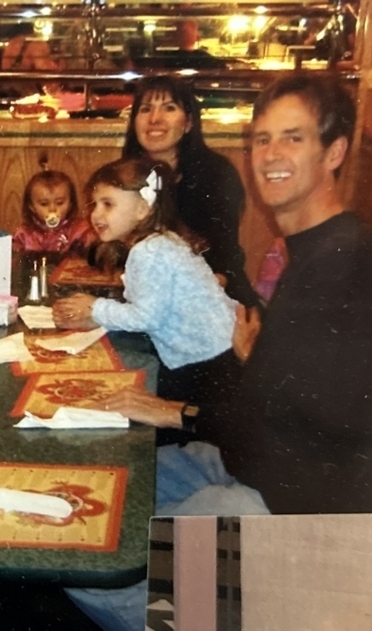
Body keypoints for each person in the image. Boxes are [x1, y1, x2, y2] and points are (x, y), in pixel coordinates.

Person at [68, 72, 372, 631]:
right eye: (262, 139)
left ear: (335, 151)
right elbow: (294, 395)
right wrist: (250, 363)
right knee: (86, 498)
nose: (272, 154)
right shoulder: (315, 253)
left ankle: (206, 615)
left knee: (87, 567)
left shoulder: (350, 266)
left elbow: (318, 419)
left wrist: (178, 411)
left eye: (293, 138)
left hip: (289, 509)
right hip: (241, 463)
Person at [52, 157, 238, 446]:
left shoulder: (148, 252)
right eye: (94, 204)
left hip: (203, 361)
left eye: (108, 204)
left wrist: (95, 307)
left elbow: (146, 317)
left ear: (142, 209)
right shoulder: (160, 242)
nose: (96, 214)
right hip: (214, 351)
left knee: (156, 430)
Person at [121, 75, 258, 307]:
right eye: (145, 109)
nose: (155, 119)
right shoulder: (126, 175)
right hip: (147, 298)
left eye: (169, 108)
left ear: (188, 123)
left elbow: (224, 260)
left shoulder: (216, 174)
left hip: (209, 297)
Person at [12, 165, 94, 255]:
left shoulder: (80, 230)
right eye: (44, 204)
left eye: (59, 203)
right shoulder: (24, 234)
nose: (52, 209)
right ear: (32, 207)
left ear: (70, 204)